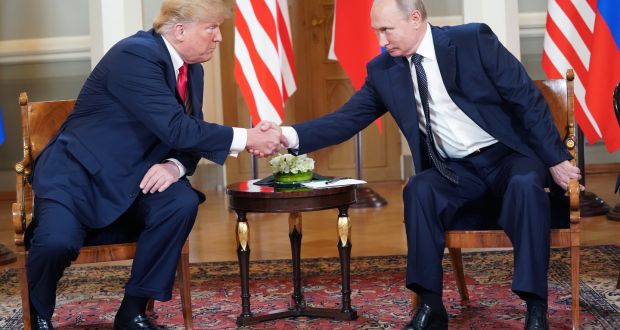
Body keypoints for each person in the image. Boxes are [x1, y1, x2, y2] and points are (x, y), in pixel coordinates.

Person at [260, 0, 582, 329]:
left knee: (526, 185)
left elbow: (526, 98)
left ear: (415, 18)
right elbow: (345, 120)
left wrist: (555, 158)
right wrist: (285, 135)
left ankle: (535, 307)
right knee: (419, 189)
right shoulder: (383, 70)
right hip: (456, 171)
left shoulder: (472, 41)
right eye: (376, 32)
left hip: (508, 156)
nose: (381, 41)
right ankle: (430, 306)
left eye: (387, 30)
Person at [26, 1, 281, 329]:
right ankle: (38, 316)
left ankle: (132, 312)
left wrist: (174, 166)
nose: (218, 37)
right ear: (180, 31)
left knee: (180, 202)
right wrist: (247, 138)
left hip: (136, 179)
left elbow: (190, 133)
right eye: (211, 28)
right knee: (56, 243)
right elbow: (176, 127)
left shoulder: (192, 71)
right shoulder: (136, 55)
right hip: (78, 177)